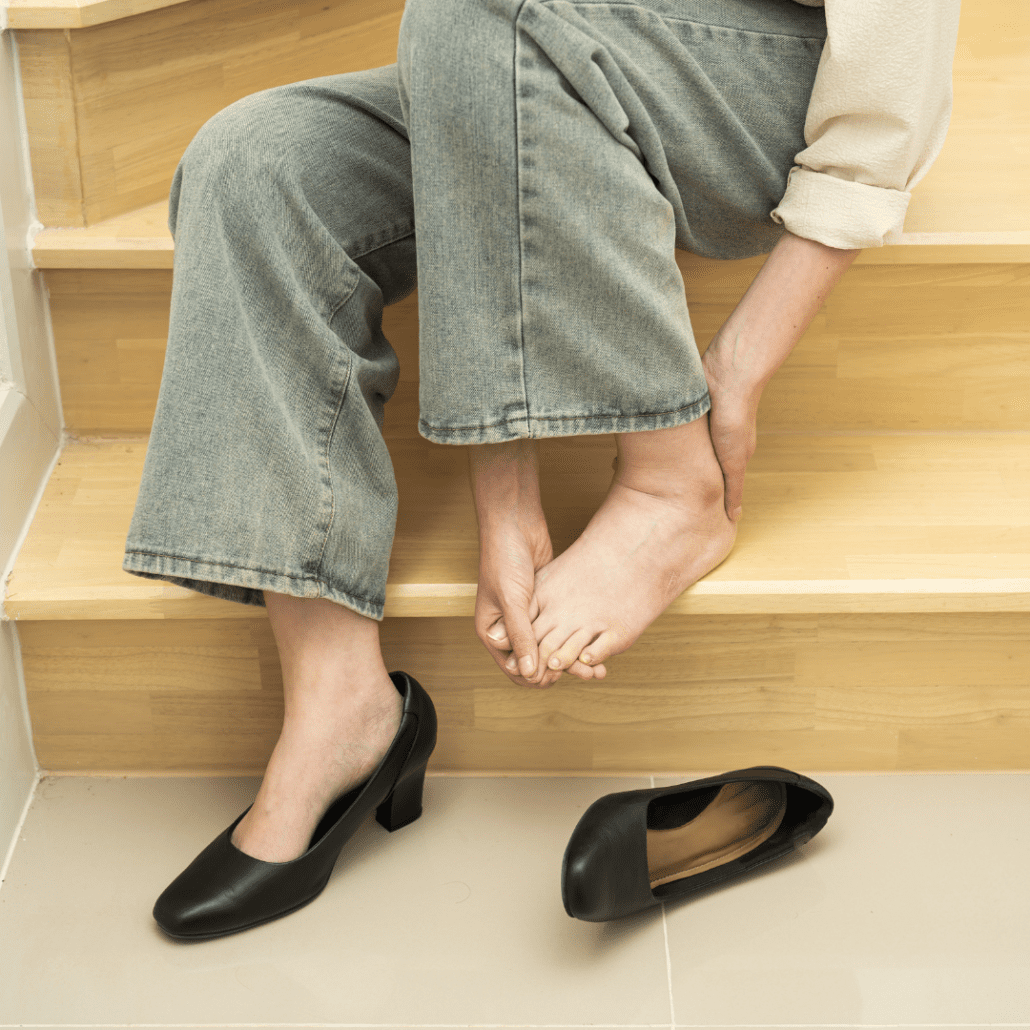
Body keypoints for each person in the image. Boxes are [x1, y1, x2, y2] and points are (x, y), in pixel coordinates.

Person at [124, 0, 961, 923]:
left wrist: (734, 370)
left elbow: (895, 80)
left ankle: (671, 483)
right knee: (253, 163)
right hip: (534, 43)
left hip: (761, 81)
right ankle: (338, 707)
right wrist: (504, 487)